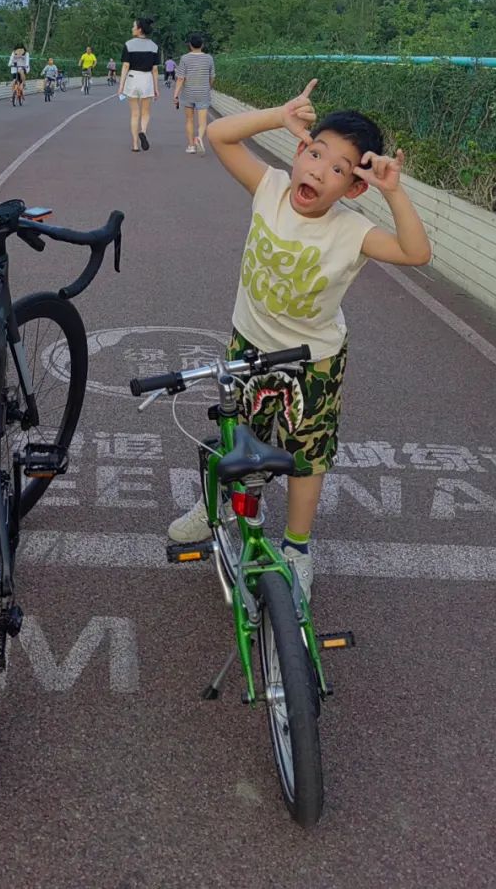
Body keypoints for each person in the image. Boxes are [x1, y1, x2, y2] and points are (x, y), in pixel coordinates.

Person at [167, 80, 431, 603]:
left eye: (339, 168)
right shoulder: (269, 187)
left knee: (307, 456)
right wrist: (277, 115)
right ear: (299, 152)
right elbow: (219, 135)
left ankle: (297, 549)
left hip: (314, 362)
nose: (317, 170)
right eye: (315, 153)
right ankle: (218, 503)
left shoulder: (351, 230)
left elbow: (415, 252)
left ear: (354, 188)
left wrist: (394, 191)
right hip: (249, 342)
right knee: (236, 435)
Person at [119, 17, 159, 152]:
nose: (132, 28)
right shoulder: (154, 46)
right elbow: (155, 69)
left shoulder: (128, 44)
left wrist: (121, 86)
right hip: (147, 79)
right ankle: (143, 131)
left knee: (134, 114)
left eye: (133, 26)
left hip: (132, 78)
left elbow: (125, 66)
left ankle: (135, 144)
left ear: (139, 29)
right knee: (145, 112)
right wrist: (156, 88)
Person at [174, 33, 215, 154]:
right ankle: (199, 138)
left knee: (189, 120)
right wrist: (209, 87)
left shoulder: (184, 58)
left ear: (190, 45)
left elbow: (181, 78)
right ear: (202, 45)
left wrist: (175, 94)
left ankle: (191, 146)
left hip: (188, 93)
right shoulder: (209, 58)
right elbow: (212, 77)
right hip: (203, 92)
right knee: (202, 122)